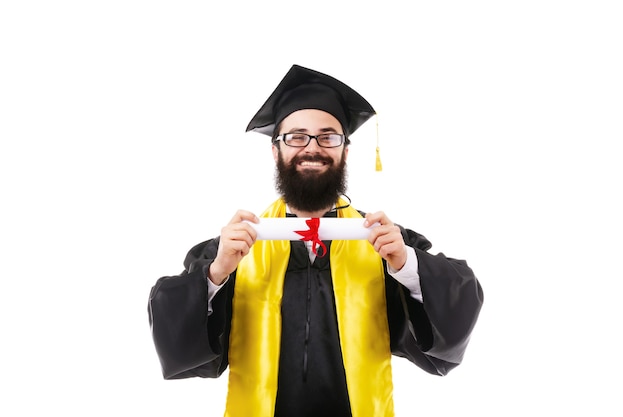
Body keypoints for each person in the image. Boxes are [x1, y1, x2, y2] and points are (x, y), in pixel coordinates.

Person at [148, 64, 484, 417]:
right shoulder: (237, 246)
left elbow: (459, 302)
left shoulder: (384, 242)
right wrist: (216, 275)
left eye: (328, 136)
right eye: (296, 136)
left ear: (345, 152)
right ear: (275, 151)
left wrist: (407, 265)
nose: (312, 148)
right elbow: (176, 339)